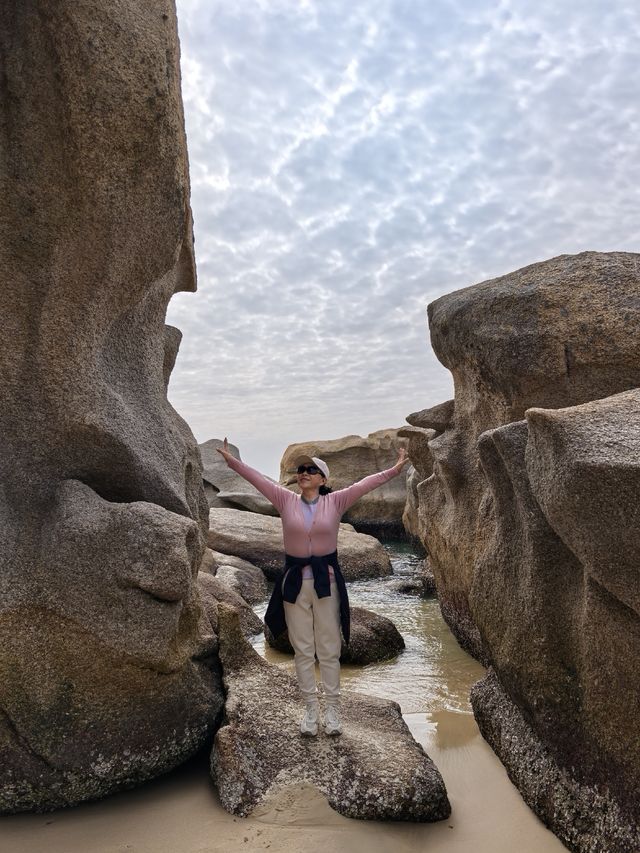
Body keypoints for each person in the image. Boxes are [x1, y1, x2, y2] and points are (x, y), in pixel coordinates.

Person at [216, 438, 409, 737]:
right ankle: (310, 709)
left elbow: (366, 483)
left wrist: (395, 469)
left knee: (329, 649)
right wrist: (233, 463)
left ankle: (332, 710)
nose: (303, 472)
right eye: (300, 469)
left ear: (322, 479)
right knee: (303, 650)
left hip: (326, 582)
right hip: (293, 583)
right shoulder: (285, 500)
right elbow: (257, 479)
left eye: (310, 469)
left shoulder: (336, 501)